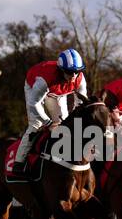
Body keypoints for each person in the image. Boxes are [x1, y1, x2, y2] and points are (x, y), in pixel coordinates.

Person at [11, 49, 87, 177]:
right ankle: (19, 162)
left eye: (77, 71)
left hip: (57, 93)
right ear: (61, 70)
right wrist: (49, 123)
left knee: (64, 124)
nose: (74, 75)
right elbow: (33, 104)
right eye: (70, 72)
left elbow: (80, 103)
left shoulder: (80, 79)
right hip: (35, 89)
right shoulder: (44, 80)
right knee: (36, 124)